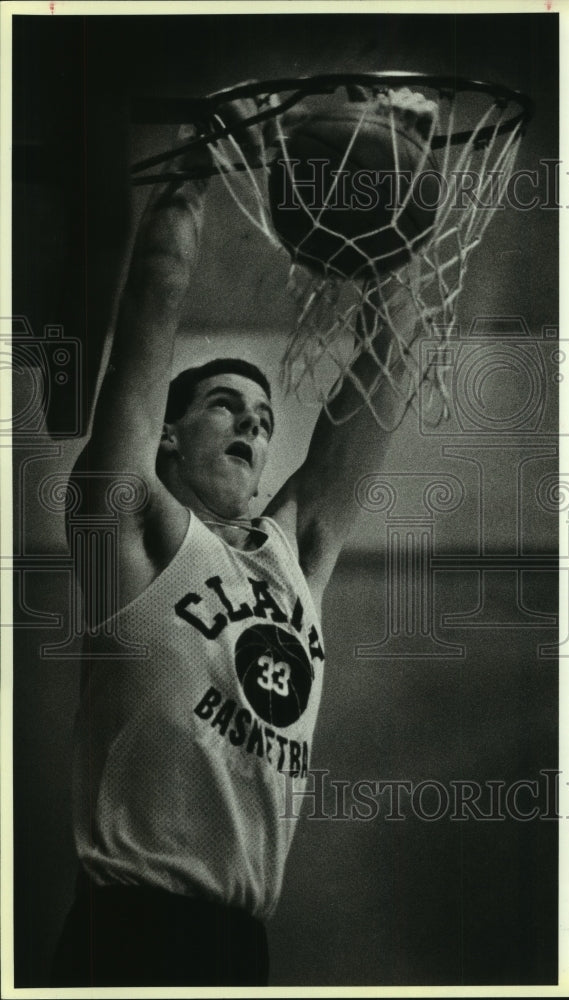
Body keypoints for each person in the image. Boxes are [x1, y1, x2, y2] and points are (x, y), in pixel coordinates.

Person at [51, 89, 431, 987]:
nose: (253, 427)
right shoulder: (134, 530)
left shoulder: (291, 555)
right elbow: (152, 300)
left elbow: (387, 370)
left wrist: (399, 206)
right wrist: (198, 162)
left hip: (241, 941)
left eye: (262, 420)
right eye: (226, 406)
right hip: (129, 931)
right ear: (167, 438)